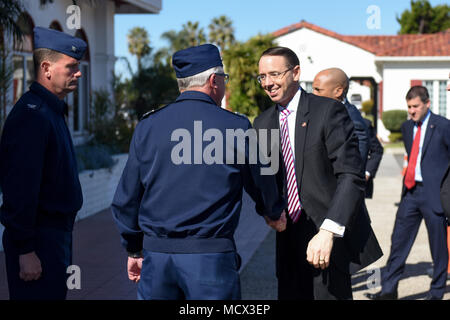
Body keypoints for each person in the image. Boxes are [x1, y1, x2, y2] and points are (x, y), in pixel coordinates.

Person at [111, 44, 286, 300]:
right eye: (223, 79)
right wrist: (272, 211)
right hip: (210, 259)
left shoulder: (148, 126)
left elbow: (126, 199)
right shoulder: (235, 126)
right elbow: (261, 180)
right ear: (214, 81)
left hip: (157, 259)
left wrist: (134, 249)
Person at [254, 47, 382, 300]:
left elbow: (350, 174)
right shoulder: (262, 123)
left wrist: (328, 231)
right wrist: (268, 209)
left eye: (274, 74)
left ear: (296, 72)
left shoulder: (328, 111)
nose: (267, 83)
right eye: (262, 77)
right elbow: (264, 177)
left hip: (328, 240)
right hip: (287, 243)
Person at [0, 27, 86, 300]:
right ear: (47, 68)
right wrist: (25, 250)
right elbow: (20, 189)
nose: (79, 73)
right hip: (39, 241)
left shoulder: (50, 110)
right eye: (71, 67)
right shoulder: (33, 115)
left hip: (53, 238)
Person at [366, 86, 450, 300]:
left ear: (427, 104)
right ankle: (388, 290)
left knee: (438, 248)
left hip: (435, 195)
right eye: (409, 107)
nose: (412, 111)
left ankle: (437, 292)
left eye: (416, 107)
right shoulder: (406, 127)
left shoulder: (443, 126)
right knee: (398, 242)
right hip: (411, 194)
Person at [312, 68, 384, 199]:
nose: (313, 94)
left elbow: (353, 167)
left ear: (338, 91)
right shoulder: (321, 112)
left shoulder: (351, 118)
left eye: (318, 90)